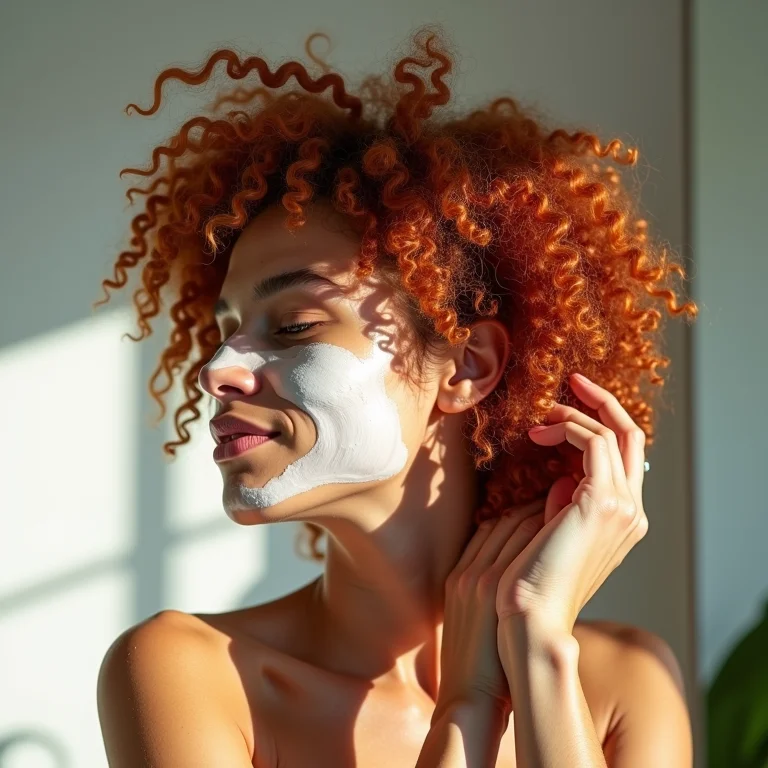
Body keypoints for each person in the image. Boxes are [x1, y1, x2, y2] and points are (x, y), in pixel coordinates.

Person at [94, 25, 697, 767]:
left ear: (467, 367)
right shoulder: (187, 672)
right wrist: (469, 709)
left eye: (294, 325)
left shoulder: (626, 686)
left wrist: (538, 645)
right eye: (225, 331)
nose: (216, 368)